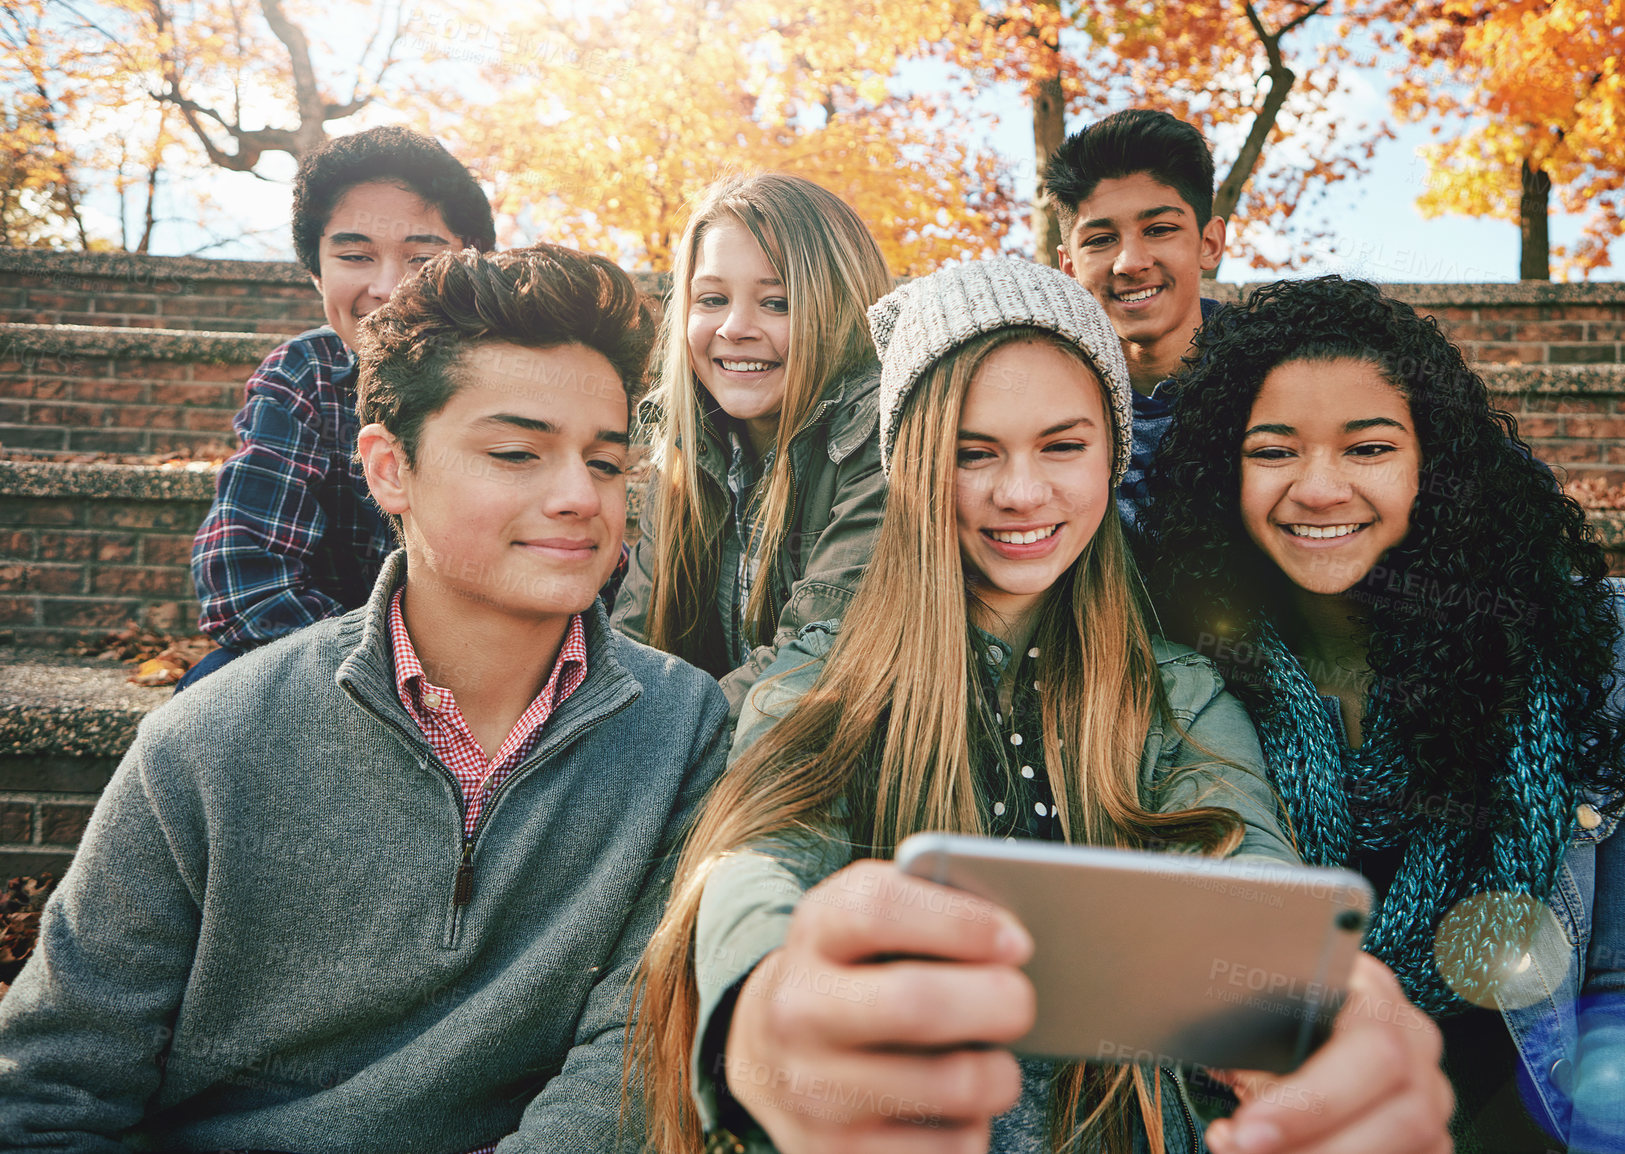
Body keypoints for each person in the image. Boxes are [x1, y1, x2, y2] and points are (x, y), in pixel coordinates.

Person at [629, 259, 1454, 1154]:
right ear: (909, 466)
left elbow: (1248, 877)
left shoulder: (1177, 692)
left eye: (1063, 445)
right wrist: (761, 997)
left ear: (1113, 451)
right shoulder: (821, 677)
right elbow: (757, 858)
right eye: (972, 452)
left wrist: (1309, 1020)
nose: (1020, 493)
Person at [0, 245, 728, 1151]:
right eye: (516, 452)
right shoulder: (208, 743)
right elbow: (51, 1092)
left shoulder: (686, 729)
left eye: (608, 463)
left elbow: (630, 1059)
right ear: (389, 469)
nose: (580, 496)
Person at [1138, 275, 1625, 1152]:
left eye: (1368, 448)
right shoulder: (1179, 672)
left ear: (1432, 465)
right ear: (1224, 471)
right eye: (1272, 451)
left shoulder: (1616, 644)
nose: (1320, 487)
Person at [182, 125, 495, 691]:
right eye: (355, 255)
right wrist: (388, 676)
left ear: (474, 267)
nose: (388, 287)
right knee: (210, 690)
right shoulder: (304, 375)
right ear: (316, 272)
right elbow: (244, 581)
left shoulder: (518, 378)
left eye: (422, 258)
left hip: (498, 664)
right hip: (329, 655)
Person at [611, 172, 892, 716]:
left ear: (841, 310)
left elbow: (813, 662)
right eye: (712, 298)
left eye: (778, 303)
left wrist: (648, 746)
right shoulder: (687, 447)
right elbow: (634, 642)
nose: (735, 327)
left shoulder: (882, 437)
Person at [1040, 108, 1227, 529]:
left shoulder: (1277, 380)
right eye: (1101, 240)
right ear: (1069, 268)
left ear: (1209, 243)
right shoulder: (1041, 399)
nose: (1130, 263)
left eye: (1159, 229)